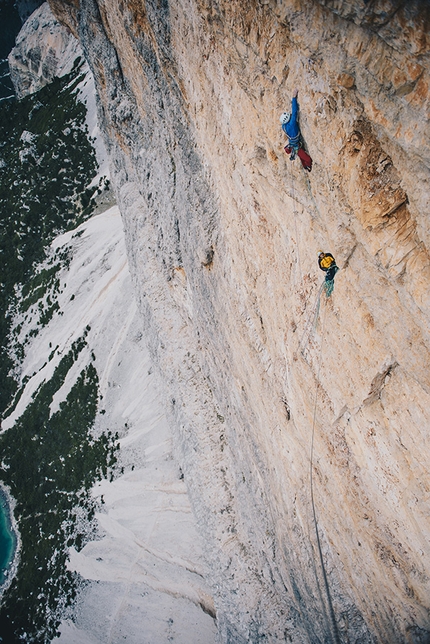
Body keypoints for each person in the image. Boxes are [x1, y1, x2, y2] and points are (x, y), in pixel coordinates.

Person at [280, 90, 312, 172]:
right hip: (296, 146)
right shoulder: (292, 124)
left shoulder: (284, 126)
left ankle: (305, 166)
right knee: (307, 158)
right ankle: (308, 166)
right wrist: (294, 98)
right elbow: (294, 112)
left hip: (294, 145)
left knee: (301, 155)